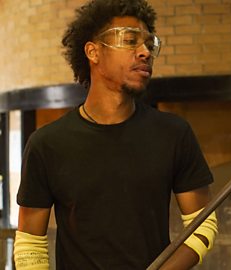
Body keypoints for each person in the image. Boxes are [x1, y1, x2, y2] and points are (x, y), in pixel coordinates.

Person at [13, 0, 217, 269]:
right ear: (93, 52)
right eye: (130, 40)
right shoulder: (47, 144)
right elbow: (30, 244)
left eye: (149, 44)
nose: (145, 52)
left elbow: (203, 227)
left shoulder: (173, 133)